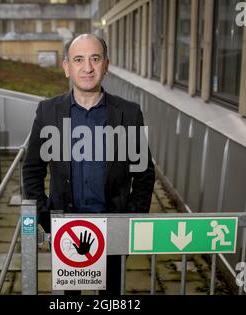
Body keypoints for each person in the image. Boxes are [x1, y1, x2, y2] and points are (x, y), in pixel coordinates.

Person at [23, 33, 155, 295]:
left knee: (110, 298)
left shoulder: (129, 113)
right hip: (67, 231)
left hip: (114, 229)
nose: (87, 68)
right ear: (66, 67)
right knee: (70, 299)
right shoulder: (48, 111)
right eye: (79, 59)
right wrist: (46, 218)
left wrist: (131, 218)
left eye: (95, 59)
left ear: (106, 65)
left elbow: (144, 172)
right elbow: (32, 169)